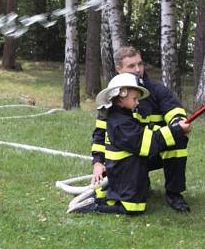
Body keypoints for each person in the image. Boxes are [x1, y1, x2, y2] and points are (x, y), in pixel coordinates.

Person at [72, 73, 191, 215]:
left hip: (125, 170)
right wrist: (176, 130)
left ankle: (104, 199)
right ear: (121, 96)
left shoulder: (121, 115)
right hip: (125, 174)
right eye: (134, 98)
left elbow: (146, 132)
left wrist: (175, 129)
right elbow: (146, 144)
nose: (138, 102)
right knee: (133, 208)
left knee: (132, 203)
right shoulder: (121, 123)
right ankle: (92, 207)